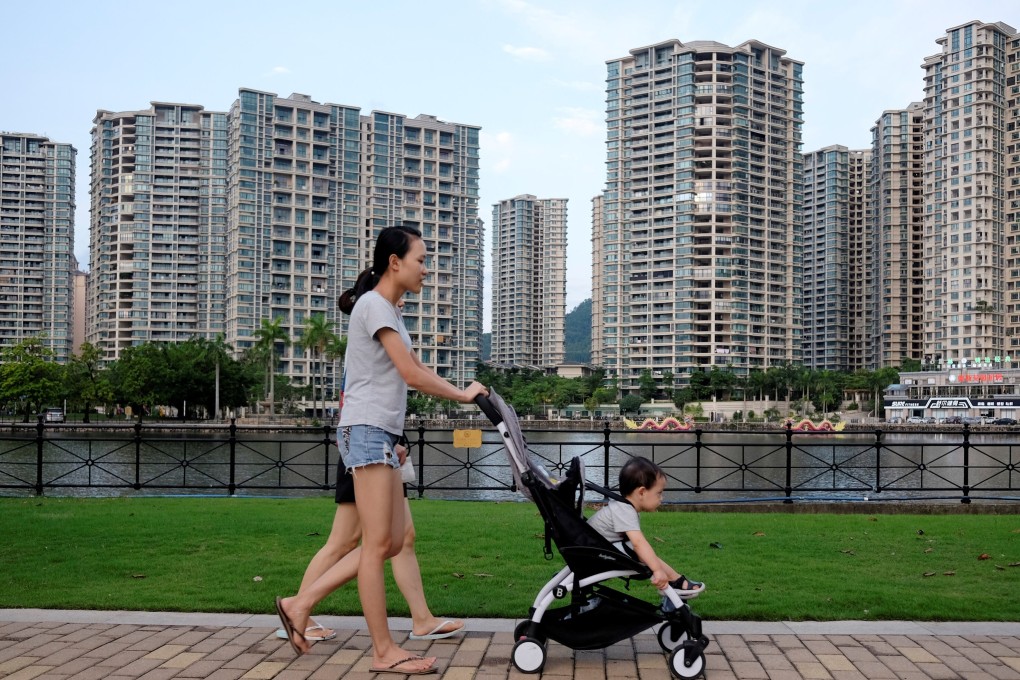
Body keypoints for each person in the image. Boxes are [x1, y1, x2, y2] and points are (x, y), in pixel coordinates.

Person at [275, 225, 487, 675]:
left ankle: (300, 603)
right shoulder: (373, 305)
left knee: (389, 543)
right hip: (366, 432)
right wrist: (464, 396)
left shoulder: (386, 309)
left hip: (381, 435)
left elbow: (414, 367)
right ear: (395, 261)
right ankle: (383, 651)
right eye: (421, 260)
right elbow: (410, 374)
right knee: (374, 546)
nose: (426, 270)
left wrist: (456, 392)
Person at [275, 298, 463, 645]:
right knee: (352, 542)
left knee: (398, 538)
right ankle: (299, 609)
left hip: (380, 441)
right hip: (368, 444)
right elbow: (391, 384)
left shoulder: (384, 329)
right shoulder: (374, 324)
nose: (405, 297)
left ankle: (420, 619)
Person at [587, 456, 705, 599]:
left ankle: (676, 579)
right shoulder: (624, 510)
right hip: (594, 555)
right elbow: (638, 543)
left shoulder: (624, 508)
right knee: (636, 548)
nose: (661, 498)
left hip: (595, 550)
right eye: (659, 493)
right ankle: (676, 580)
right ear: (642, 492)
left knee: (639, 551)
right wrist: (657, 570)